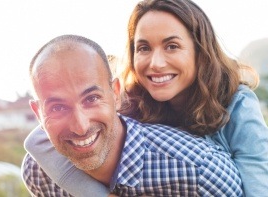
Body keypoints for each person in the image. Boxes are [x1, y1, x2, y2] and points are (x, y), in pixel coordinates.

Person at [24, 0, 268, 196]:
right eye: (144, 48)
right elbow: (38, 140)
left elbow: (265, 184)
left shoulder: (236, 103)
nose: (155, 63)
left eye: (171, 46)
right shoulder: (128, 97)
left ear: (199, 50)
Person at [21, 34, 244, 196]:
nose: (80, 126)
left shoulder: (200, 172)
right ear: (38, 114)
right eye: (58, 107)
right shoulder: (39, 173)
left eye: (92, 99)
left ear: (116, 94)